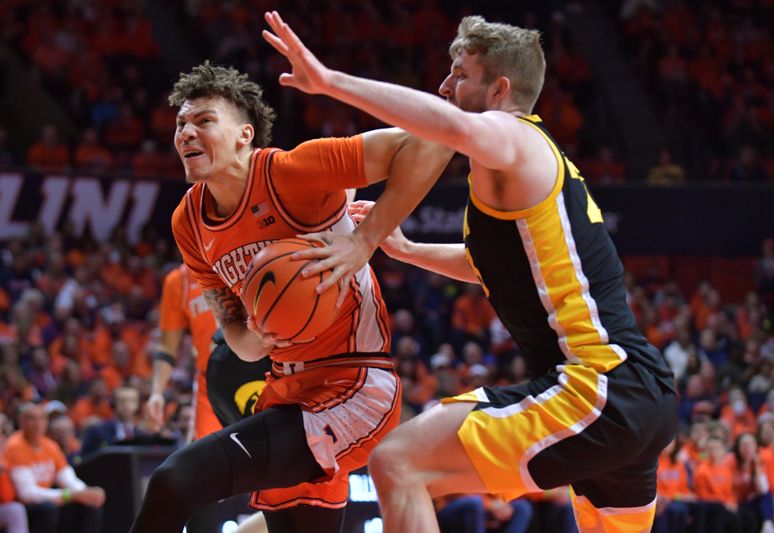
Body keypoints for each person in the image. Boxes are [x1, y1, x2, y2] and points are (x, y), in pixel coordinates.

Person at [262, 11, 677, 532]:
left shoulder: (514, 138)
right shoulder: (521, 173)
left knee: (398, 463)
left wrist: (330, 82)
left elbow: (446, 124)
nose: (444, 85)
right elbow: (499, 270)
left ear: (500, 89)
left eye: (460, 74)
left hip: (597, 384)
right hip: (635, 390)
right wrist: (409, 249)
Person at [129, 59, 451, 533]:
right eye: (181, 124)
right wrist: (257, 332)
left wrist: (365, 241)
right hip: (287, 389)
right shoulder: (188, 222)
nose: (186, 133)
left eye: (203, 121)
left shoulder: (294, 171)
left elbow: (430, 140)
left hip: (355, 385)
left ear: (244, 134)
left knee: (175, 481)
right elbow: (236, 338)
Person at [146, 263, 225, 440]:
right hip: (211, 382)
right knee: (210, 460)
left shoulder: (243, 257)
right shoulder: (179, 281)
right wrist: (157, 392)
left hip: (258, 370)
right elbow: (167, 347)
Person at [4, 403, 105, 533]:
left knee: (91, 504)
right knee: (48, 509)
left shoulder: (50, 445)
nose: (37, 423)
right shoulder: (15, 446)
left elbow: (67, 477)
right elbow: (27, 494)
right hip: (23, 506)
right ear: (21, 422)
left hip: (49, 499)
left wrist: (86, 492)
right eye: (32, 418)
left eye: (41, 418)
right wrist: (70, 495)